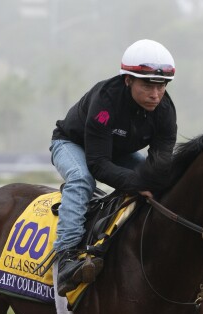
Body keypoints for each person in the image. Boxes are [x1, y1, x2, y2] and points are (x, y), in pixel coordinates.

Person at [50, 38, 178, 297]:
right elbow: (97, 165)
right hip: (72, 144)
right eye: (147, 86)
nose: (156, 95)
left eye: (162, 86)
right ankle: (65, 258)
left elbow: (160, 167)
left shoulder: (165, 111)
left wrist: (150, 181)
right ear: (128, 80)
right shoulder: (106, 101)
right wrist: (138, 182)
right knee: (82, 178)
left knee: (164, 184)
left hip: (118, 152)